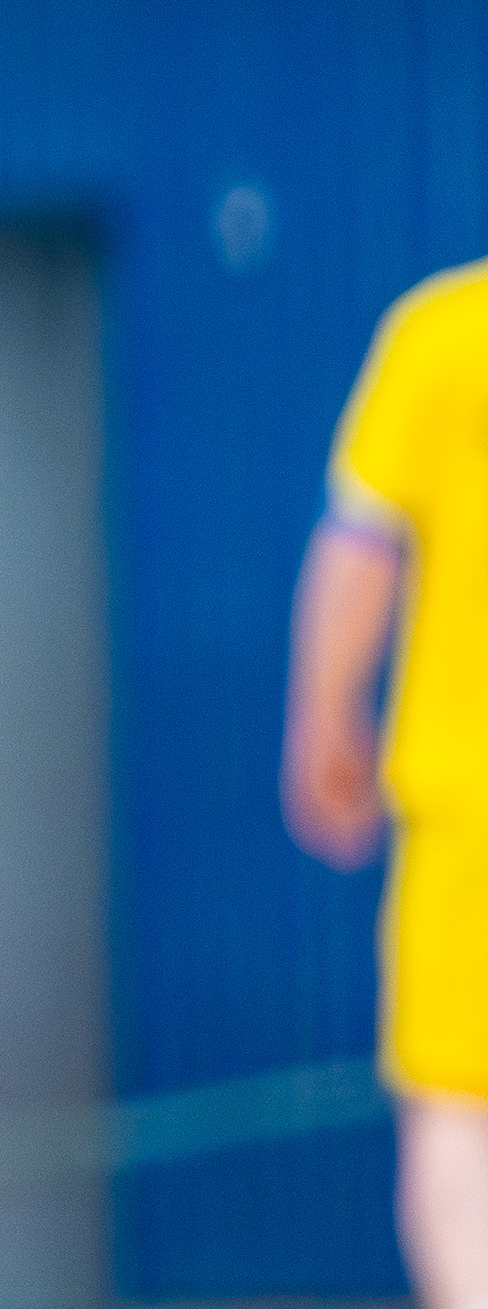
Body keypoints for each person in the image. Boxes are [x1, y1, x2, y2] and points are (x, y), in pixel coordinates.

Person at [289, 261, 488, 1309]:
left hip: (471, 816)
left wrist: (324, 716)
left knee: (460, 1121)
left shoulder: (446, 337)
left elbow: (362, 542)